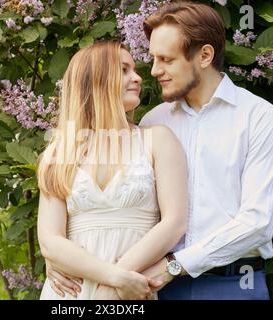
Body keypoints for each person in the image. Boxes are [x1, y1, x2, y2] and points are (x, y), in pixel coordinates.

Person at [49, 1, 273, 300]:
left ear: (204, 55)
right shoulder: (154, 122)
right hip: (151, 286)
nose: (153, 70)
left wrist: (175, 265)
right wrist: (57, 257)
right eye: (152, 58)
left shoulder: (257, 117)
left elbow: (257, 224)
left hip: (230, 285)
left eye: (166, 59)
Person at [36, 41, 188, 300]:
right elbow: (51, 240)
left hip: (127, 292)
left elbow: (174, 223)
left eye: (135, 70)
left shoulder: (157, 140)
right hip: (70, 292)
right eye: (124, 70)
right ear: (95, 80)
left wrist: (115, 286)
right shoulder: (61, 151)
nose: (138, 77)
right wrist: (114, 277)